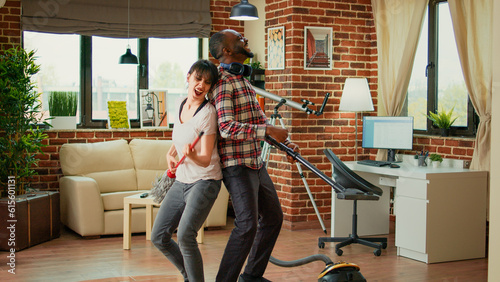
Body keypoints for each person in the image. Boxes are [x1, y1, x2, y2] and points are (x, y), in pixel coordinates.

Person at [209, 29, 299, 282]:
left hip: (254, 163)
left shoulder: (243, 80)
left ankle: (250, 277)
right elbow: (226, 127)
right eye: (239, 38)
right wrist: (267, 129)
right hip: (236, 165)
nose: (245, 40)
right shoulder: (224, 82)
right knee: (247, 225)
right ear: (226, 51)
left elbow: (258, 120)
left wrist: (286, 143)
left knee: (272, 218)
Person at [151, 59, 222, 282]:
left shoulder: (208, 113)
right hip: (181, 180)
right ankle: (190, 276)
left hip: (204, 181)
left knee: (185, 236)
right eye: (198, 78)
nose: (201, 85)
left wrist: (191, 155)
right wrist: (170, 154)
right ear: (189, 77)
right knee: (159, 236)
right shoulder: (181, 103)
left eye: (207, 82)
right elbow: (180, 135)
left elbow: (205, 159)